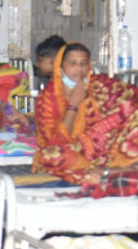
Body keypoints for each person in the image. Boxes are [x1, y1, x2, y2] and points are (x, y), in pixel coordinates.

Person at [33, 42, 138, 183]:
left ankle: (109, 168)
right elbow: (56, 141)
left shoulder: (99, 85)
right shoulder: (47, 99)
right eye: (72, 63)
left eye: (83, 64)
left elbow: (130, 95)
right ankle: (106, 171)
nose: (79, 70)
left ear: (89, 66)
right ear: (60, 66)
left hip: (102, 150)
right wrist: (74, 104)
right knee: (51, 155)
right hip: (71, 153)